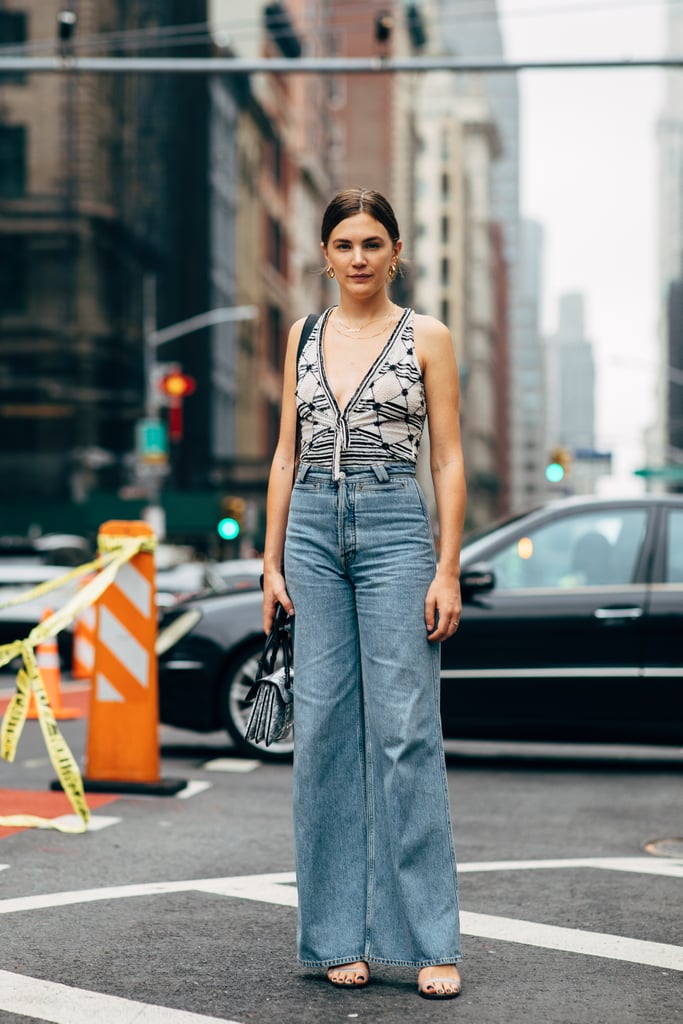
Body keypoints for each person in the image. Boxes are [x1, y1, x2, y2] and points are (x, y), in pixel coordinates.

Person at [262, 187, 465, 1000]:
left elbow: (446, 461)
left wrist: (445, 567)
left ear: (395, 251)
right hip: (310, 525)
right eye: (343, 244)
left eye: (371, 243)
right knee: (322, 737)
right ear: (324, 254)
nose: (356, 258)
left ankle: (427, 941)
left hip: (393, 529)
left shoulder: (428, 338)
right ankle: (334, 936)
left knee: (405, 735)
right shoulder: (301, 335)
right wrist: (270, 562)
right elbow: (284, 454)